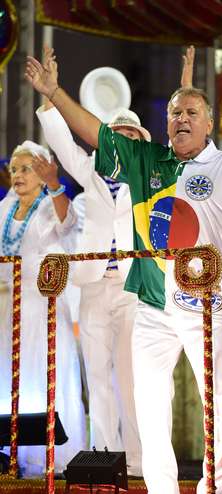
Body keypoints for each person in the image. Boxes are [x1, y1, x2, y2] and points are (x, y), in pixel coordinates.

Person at [25, 54, 222, 494]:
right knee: (150, 403)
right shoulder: (146, 161)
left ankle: (216, 485)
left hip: (210, 306)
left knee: (220, 403)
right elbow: (94, 134)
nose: (181, 118)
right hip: (153, 304)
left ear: (209, 123)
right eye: (174, 112)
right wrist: (54, 94)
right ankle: (162, 488)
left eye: (191, 113)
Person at [36, 87, 151, 476]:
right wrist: (49, 99)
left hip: (134, 287)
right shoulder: (91, 170)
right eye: (117, 134)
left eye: (130, 136)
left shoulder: (149, 174)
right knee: (98, 375)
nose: (123, 141)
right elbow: (64, 144)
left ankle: (137, 459)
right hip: (93, 284)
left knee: (131, 376)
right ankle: (107, 456)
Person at [0, 141, 86, 477]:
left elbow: (68, 223)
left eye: (26, 168)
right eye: (14, 170)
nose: (18, 175)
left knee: (45, 373)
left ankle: (50, 455)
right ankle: (12, 454)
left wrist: (54, 185)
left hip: (43, 306)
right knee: (9, 378)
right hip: (7, 307)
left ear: (42, 173)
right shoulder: (4, 210)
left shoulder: (52, 205)